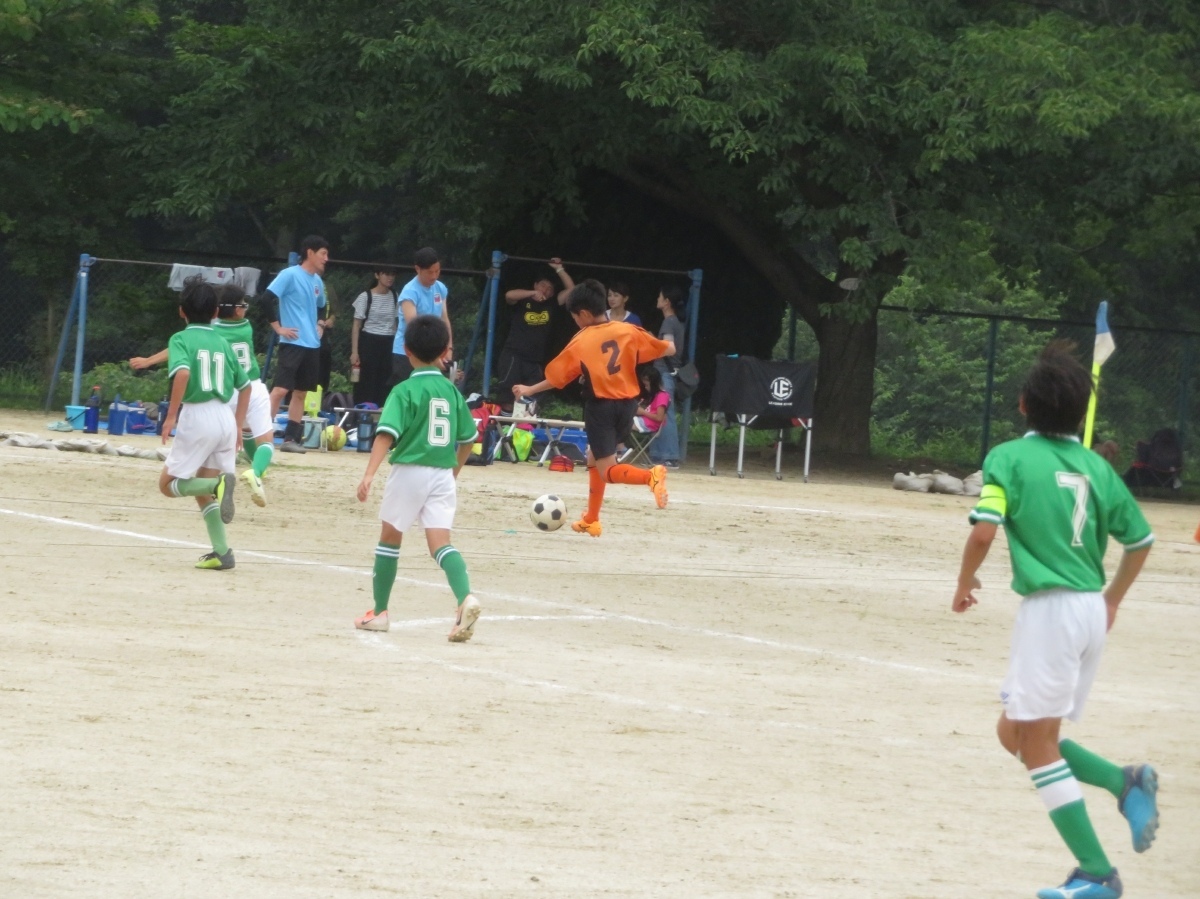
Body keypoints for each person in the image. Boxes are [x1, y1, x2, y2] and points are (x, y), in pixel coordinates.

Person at [951, 342, 1158, 899]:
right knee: (1014, 734)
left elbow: (983, 532)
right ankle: (1124, 782)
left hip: (1051, 612)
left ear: (1023, 404)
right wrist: (1112, 600)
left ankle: (1096, 872)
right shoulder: (1097, 466)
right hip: (1089, 609)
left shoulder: (1007, 459)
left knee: (1038, 744)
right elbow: (1141, 541)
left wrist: (965, 581)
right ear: (1080, 413)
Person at [355, 314, 482, 641]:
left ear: (407, 350)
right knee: (441, 544)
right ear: (443, 352)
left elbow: (386, 434)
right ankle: (465, 597)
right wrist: (453, 472)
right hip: (442, 474)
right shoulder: (452, 391)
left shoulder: (404, 390)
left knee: (389, 538)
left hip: (410, 471)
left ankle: (380, 612)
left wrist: (369, 474)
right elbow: (469, 438)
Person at [513, 279, 673, 537]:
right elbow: (666, 349)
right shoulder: (628, 330)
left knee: (607, 470)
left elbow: (557, 378)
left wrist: (529, 389)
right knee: (593, 457)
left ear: (584, 314)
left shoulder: (582, 340)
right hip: (628, 406)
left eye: (575, 317)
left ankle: (650, 477)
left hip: (602, 408)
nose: (576, 322)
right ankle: (591, 519)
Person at [129, 285, 275, 505]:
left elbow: (183, 348)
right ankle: (256, 472)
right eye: (243, 305)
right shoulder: (246, 327)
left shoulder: (213, 332)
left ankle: (216, 487)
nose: (245, 309)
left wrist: (149, 361)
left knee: (227, 441)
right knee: (263, 440)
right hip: (249, 387)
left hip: (224, 396)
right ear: (234, 310)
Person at [157, 277, 250, 571]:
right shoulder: (223, 341)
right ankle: (222, 553)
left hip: (198, 416)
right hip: (225, 417)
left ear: (181, 311)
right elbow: (245, 386)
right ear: (215, 313)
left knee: (167, 485)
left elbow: (183, 373)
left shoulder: (180, 339)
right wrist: (238, 425)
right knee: (200, 490)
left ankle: (217, 484)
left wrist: (171, 415)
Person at [266, 235, 329, 454]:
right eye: (323, 253)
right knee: (280, 389)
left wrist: (320, 323)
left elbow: (322, 306)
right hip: (292, 342)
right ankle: (261, 434)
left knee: (301, 392)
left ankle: (290, 439)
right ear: (310, 253)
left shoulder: (317, 281)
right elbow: (266, 299)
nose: (326, 259)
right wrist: (278, 328)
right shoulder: (289, 274)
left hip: (312, 345)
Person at [495, 257, 575, 406]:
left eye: (549, 288)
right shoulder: (523, 300)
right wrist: (532, 293)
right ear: (535, 285)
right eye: (543, 285)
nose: (545, 290)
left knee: (532, 397)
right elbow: (509, 295)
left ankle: (525, 419)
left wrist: (559, 269)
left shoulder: (552, 303)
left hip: (535, 360)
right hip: (514, 355)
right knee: (507, 394)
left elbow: (572, 290)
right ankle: (504, 419)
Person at [392, 247, 453, 386]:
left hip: (432, 353)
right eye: (430, 272)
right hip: (408, 353)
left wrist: (448, 348)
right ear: (418, 269)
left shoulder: (440, 288)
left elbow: (444, 319)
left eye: (437, 271)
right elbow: (415, 330)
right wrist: (436, 359)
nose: (434, 276)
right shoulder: (410, 292)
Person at [650, 284, 687, 469]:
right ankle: (660, 454)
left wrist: (652, 343)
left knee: (665, 414)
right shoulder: (676, 322)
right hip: (667, 373)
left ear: (666, 302)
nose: (657, 300)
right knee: (662, 413)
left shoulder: (669, 323)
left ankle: (670, 456)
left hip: (663, 372)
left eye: (660, 297)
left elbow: (668, 348)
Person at [350, 268, 399, 406]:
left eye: (392, 274)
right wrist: (355, 352)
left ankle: (382, 411)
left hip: (389, 342)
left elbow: (395, 323)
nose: (390, 278)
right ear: (377, 275)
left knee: (385, 380)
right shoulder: (365, 297)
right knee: (366, 380)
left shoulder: (395, 296)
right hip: (369, 342)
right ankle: (362, 411)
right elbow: (356, 326)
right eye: (386, 274)